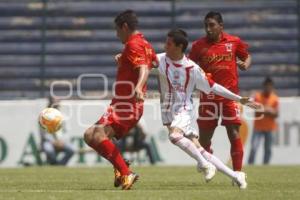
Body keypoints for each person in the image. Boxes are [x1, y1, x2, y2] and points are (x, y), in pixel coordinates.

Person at [155, 29, 257, 189]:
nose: (164, 46)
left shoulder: (192, 68)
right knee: (200, 148)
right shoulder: (160, 59)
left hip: (183, 109)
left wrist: (239, 99)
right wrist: (123, 58)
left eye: (168, 44)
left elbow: (214, 87)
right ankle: (235, 176)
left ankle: (205, 165)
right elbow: (140, 63)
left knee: (175, 136)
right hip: (167, 110)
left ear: (179, 46)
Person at [83, 10, 156, 190]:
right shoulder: (144, 44)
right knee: (90, 135)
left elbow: (145, 68)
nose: (117, 35)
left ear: (124, 27)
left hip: (128, 105)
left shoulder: (134, 44)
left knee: (97, 135)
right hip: (120, 104)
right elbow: (153, 62)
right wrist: (123, 60)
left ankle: (126, 172)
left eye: (117, 30)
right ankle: (121, 167)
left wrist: (138, 87)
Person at [189, 11, 252, 172]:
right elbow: (188, 66)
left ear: (220, 26)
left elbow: (247, 56)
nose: (208, 29)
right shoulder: (198, 46)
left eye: (211, 25)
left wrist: (245, 64)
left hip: (229, 96)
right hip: (208, 97)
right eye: (206, 26)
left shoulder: (234, 41)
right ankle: (208, 155)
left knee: (234, 132)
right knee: (203, 140)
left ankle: (238, 173)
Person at [248, 77, 279, 165]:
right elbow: (256, 111)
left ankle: (265, 166)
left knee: (268, 149)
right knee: (254, 147)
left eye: (270, 86)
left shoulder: (275, 98)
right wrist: (268, 110)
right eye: (267, 86)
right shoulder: (257, 96)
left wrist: (263, 109)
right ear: (263, 86)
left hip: (270, 128)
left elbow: (276, 114)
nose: (268, 88)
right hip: (258, 127)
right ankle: (250, 165)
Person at [40, 97, 75, 165]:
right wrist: (54, 142)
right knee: (49, 150)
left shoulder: (64, 116)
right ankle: (54, 164)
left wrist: (61, 141)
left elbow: (67, 131)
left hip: (62, 142)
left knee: (72, 150)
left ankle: (61, 165)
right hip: (49, 142)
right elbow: (44, 134)